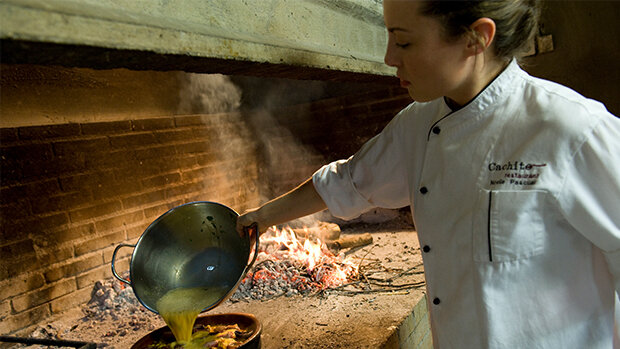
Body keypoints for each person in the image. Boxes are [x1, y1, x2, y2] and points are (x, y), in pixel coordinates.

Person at [237, 0, 620, 347]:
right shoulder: (418, 125)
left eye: (403, 43)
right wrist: (258, 218)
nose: (389, 57)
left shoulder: (572, 130)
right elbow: (347, 181)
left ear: (477, 38)